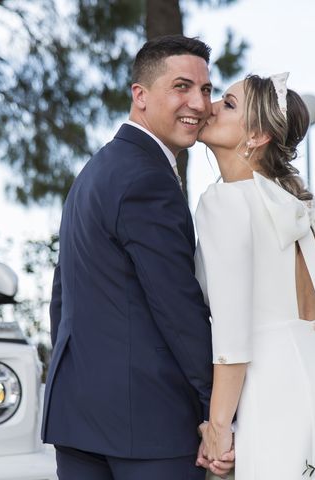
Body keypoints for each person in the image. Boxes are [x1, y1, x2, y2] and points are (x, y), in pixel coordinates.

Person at [40, 35, 233, 480]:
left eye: (205, 90)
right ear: (140, 96)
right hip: (147, 424)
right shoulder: (149, 178)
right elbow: (177, 306)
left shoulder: (95, 171)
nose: (200, 103)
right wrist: (216, 413)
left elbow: (60, 296)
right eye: (182, 87)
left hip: (77, 416)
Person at [194, 73, 315, 479]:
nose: (208, 107)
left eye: (227, 103)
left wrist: (219, 428)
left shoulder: (223, 202)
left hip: (275, 394)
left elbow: (232, 330)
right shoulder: (298, 205)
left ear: (257, 135)